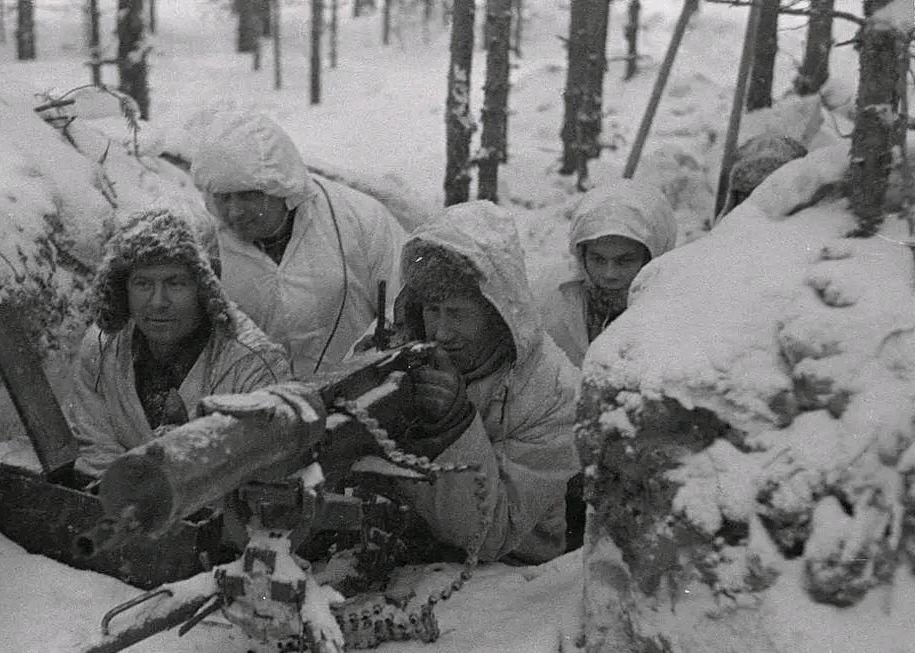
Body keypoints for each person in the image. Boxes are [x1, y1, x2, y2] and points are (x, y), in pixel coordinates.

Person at [380, 200, 582, 564]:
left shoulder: (551, 391)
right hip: (403, 554)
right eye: (432, 310)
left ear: (496, 313)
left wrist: (453, 427)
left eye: (458, 313)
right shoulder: (398, 348)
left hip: (512, 575)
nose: (441, 332)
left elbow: (493, 536)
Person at [63, 208, 292, 475]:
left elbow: (266, 473)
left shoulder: (251, 364)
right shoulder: (103, 347)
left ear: (206, 287)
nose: (158, 302)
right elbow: (95, 451)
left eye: (176, 283)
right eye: (143, 284)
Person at [187, 109, 406, 378]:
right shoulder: (205, 244)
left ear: (281, 189)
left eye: (247, 196)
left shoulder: (359, 218)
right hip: (257, 406)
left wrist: (368, 358)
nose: (234, 212)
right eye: (223, 198)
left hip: (360, 390)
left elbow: (404, 300)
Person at [536, 179, 677, 367]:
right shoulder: (549, 295)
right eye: (598, 259)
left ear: (652, 257)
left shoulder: (676, 309)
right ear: (581, 255)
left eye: (625, 260)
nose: (609, 274)